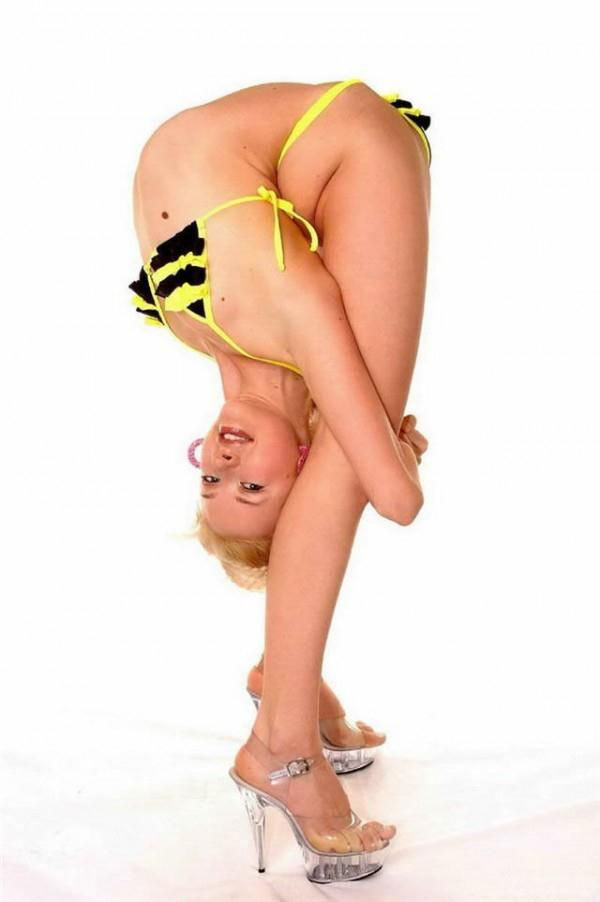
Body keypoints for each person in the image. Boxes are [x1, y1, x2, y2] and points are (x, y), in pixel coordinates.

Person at [129, 78, 431, 882]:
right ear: (302, 461)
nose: (225, 463)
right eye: (252, 489)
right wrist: (375, 449)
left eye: (210, 480)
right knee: (356, 456)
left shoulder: (227, 321)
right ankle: (286, 706)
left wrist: (389, 449)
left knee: (363, 452)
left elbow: (395, 494)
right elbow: (380, 496)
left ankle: (284, 732)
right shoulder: (256, 316)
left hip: (322, 146)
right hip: (346, 148)